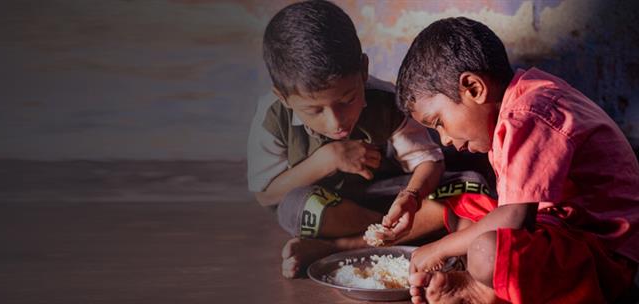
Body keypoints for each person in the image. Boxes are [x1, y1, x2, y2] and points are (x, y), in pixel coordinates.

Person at [381, 16, 639, 303]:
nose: (444, 140)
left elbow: (515, 218)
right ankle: (491, 281)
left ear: (474, 88)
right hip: (563, 230)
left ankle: (482, 289)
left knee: (485, 252)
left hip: (608, 254)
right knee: (462, 209)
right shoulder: (516, 106)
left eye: (439, 122)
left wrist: (440, 248)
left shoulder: (529, 113)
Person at [248, 1, 489, 279]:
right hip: (337, 207)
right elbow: (266, 193)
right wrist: (329, 159)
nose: (335, 122)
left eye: (348, 100)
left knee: (472, 185)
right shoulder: (272, 117)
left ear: (363, 70)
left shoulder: (387, 102)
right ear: (283, 97)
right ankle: (400, 234)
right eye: (314, 110)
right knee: (294, 208)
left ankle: (338, 247)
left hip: (391, 198)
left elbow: (429, 162)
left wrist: (409, 199)